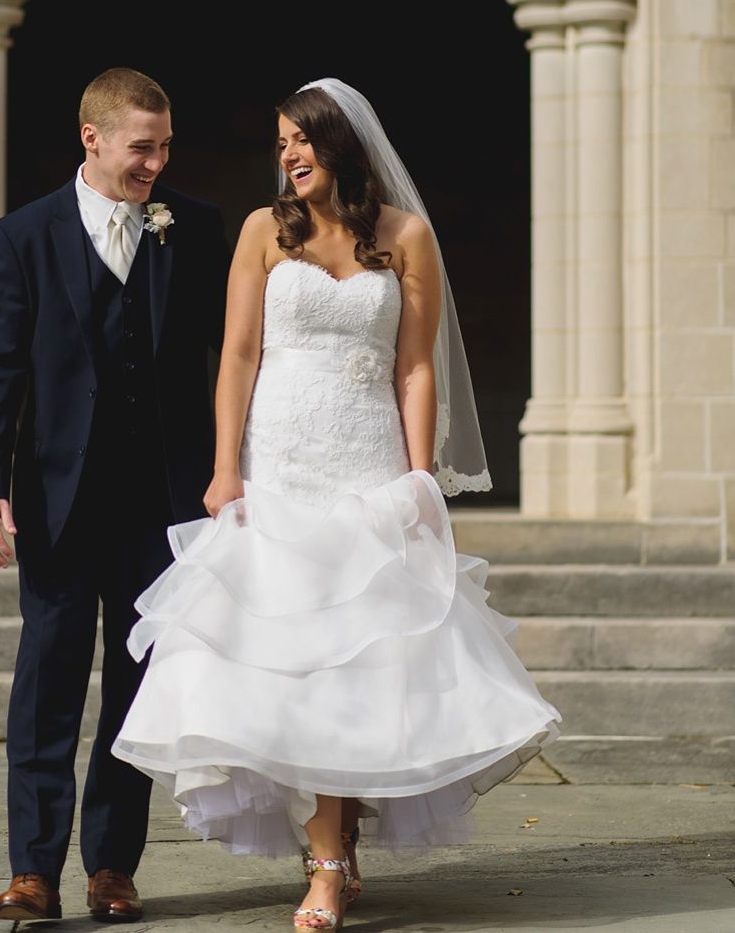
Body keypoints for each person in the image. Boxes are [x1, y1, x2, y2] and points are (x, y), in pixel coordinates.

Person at [112, 78, 562, 931]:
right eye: (280, 142)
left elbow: (416, 367)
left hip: (366, 464)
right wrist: (223, 469)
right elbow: (238, 356)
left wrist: (419, 478)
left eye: (301, 140)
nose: (287, 155)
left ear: (342, 146)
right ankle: (326, 862)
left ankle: (332, 856)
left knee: (359, 668)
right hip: (278, 462)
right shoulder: (262, 232)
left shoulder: (407, 237)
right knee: (299, 664)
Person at [0, 67, 230, 923]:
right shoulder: (24, 236)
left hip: (164, 501)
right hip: (58, 501)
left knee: (136, 684)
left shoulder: (197, 229)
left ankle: (113, 867)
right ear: (94, 138)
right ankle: (32, 870)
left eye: (165, 146)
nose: (157, 163)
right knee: (46, 682)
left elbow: (229, 363)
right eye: (142, 147)